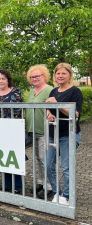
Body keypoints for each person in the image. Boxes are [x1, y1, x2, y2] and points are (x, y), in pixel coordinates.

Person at [46, 63, 83, 205]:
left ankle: (67, 195)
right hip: (52, 133)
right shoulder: (54, 91)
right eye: (58, 73)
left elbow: (76, 114)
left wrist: (58, 105)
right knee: (48, 165)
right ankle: (57, 192)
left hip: (68, 134)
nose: (60, 76)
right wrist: (49, 114)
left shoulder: (75, 91)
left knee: (66, 167)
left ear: (69, 75)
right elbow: (48, 109)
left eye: (63, 73)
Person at [0, 70, 23, 193]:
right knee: (3, 158)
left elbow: (18, 111)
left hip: (13, 130)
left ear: (8, 80)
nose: (1, 81)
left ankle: (18, 186)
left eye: (3, 78)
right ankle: (7, 186)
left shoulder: (16, 92)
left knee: (13, 158)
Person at [25, 65, 53, 198]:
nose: (34, 78)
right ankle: (41, 182)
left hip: (44, 130)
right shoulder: (32, 90)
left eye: (37, 76)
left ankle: (49, 186)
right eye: (32, 77)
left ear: (44, 76)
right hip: (33, 129)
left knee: (44, 158)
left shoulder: (49, 90)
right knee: (37, 158)